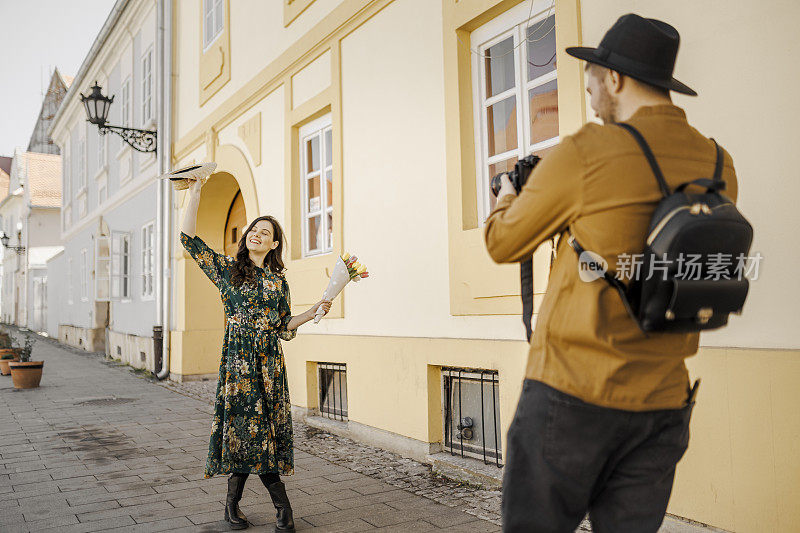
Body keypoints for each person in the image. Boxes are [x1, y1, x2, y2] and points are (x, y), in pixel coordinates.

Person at [484, 14, 738, 533]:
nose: (591, 90)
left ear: (616, 80)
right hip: (664, 404)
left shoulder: (585, 152)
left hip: (572, 396)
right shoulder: (718, 164)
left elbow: (503, 243)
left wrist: (508, 196)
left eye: (592, 78)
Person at [180, 176, 331, 531]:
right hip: (238, 366)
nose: (256, 234)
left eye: (265, 232)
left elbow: (282, 326)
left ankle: (233, 507)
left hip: (269, 367)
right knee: (249, 435)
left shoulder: (279, 282)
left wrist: (312, 313)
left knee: (260, 435)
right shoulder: (229, 272)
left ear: (274, 243)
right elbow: (189, 240)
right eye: (253, 229)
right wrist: (196, 191)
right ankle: (282, 510)